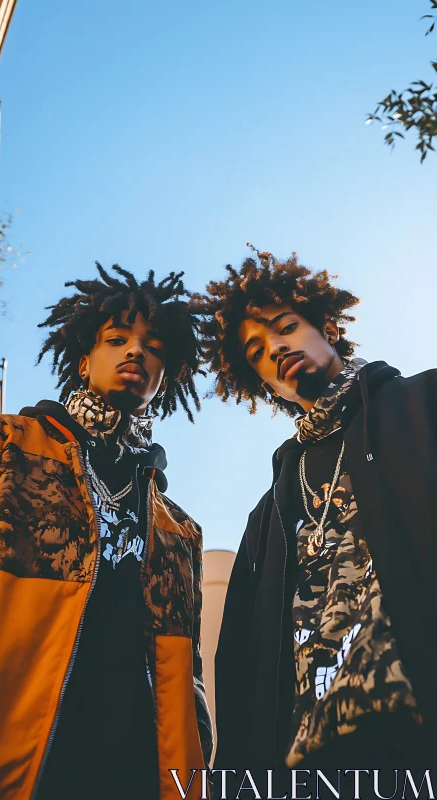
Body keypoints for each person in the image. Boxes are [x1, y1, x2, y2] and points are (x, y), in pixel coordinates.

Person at [194, 245, 436, 794]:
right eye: (257, 351)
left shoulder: (423, 404)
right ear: (264, 384)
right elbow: (239, 672)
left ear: (328, 328)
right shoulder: (266, 517)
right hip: (310, 770)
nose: (276, 347)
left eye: (286, 327)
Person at [0, 263, 212, 800]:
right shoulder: (6, 447)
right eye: (117, 339)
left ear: (164, 377)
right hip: (17, 761)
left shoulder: (178, 529)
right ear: (84, 361)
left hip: (138, 773)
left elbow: (190, 675)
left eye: (153, 347)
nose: (135, 351)